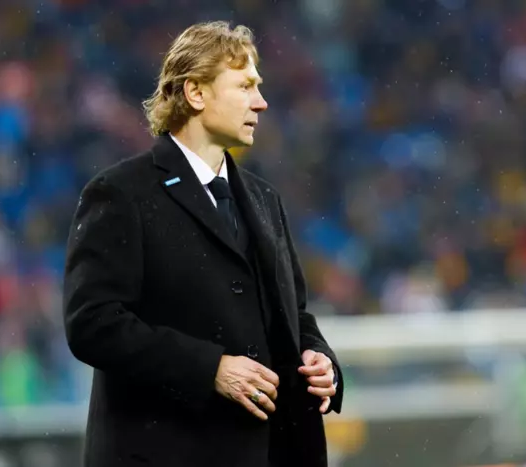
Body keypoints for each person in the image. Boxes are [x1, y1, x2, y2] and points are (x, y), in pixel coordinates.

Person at [63, 21, 343, 467]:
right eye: (245, 86)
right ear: (195, 93)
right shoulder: (120, 193)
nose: (261, 102)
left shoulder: (265, 199)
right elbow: (92, 324)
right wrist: (209, 368)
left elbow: (296, 316)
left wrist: (319, 357)